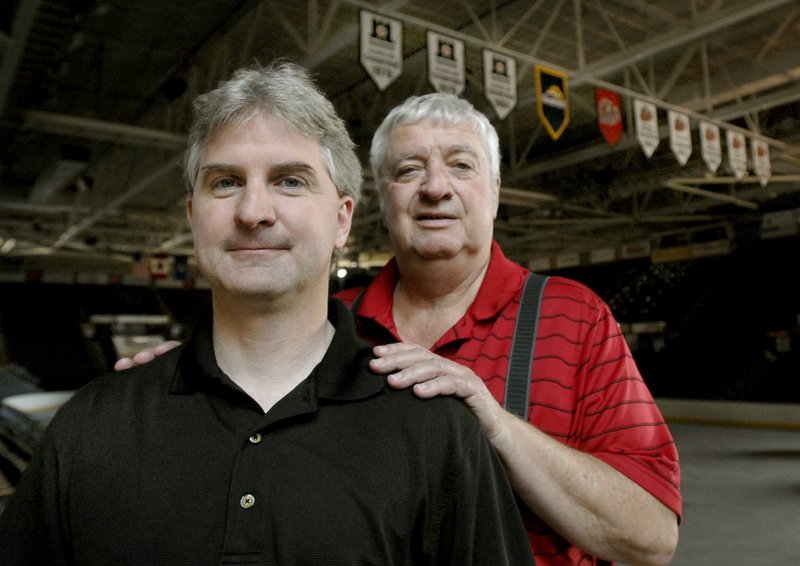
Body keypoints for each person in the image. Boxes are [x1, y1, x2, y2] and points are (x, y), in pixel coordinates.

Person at [0, 62, 536, 566]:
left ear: (342, 219)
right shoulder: (94, 423)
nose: (254, 211)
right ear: (193, 216)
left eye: (291, 180)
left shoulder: (438, 431)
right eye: (225, 182)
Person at [116, 93, 682, 565]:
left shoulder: (575, 316)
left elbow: (651, 539)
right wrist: (199, 373)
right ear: (377, 202)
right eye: (408, 170)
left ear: (496, 190)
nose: (435, 187)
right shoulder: (322, 322)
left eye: (461, 165)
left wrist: (495, 425)